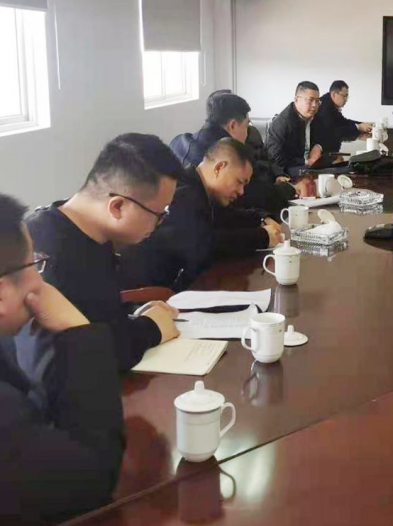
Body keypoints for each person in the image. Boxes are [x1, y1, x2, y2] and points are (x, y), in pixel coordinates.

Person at [0, 188, 124, 525]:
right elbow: (90, 480)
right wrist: (80, 332)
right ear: (1, 294)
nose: (40, 277)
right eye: (34, 262)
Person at [20, 134, 182, 374]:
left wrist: (135, 313)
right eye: (159, 214)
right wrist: (150, 329)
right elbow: (79, 357)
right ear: (117, 206)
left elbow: (96, 314)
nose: (160, 223)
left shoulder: (87, 230)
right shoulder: (53, 258)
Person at [119, 138, 284, 291]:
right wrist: (263, 236)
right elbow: (205, 245)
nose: (241, 191)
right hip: (152, 294)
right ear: (219, 168)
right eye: (239, 182)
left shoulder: (198, 187)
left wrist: (261, 218)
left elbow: (225, 217)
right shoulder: (184, 192)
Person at [169, 92, 314, 216]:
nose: (248, 132)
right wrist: (291, 189)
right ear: (232, 125)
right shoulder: (226, 155)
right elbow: (252, 196)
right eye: (246, 126)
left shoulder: (181, 142)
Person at [267, 81, 325, 176]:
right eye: (310, 100)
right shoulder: (282, 122)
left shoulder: (316, 116)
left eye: (317, 101)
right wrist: (306, 162)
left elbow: (325, 135)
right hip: (287, 170)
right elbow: (275, 157)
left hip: (310, 166)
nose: (314, 105)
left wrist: (318, 146)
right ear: (297, 100)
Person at [312, 80, 373, 154]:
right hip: (321, 151)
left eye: (347, 96)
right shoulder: (325, 107)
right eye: (344, 96)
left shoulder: (329, 102)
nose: (346, 100)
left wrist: (362, 124)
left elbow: (342, 121)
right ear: (334, 94)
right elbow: (336, 131)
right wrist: (358, 127)